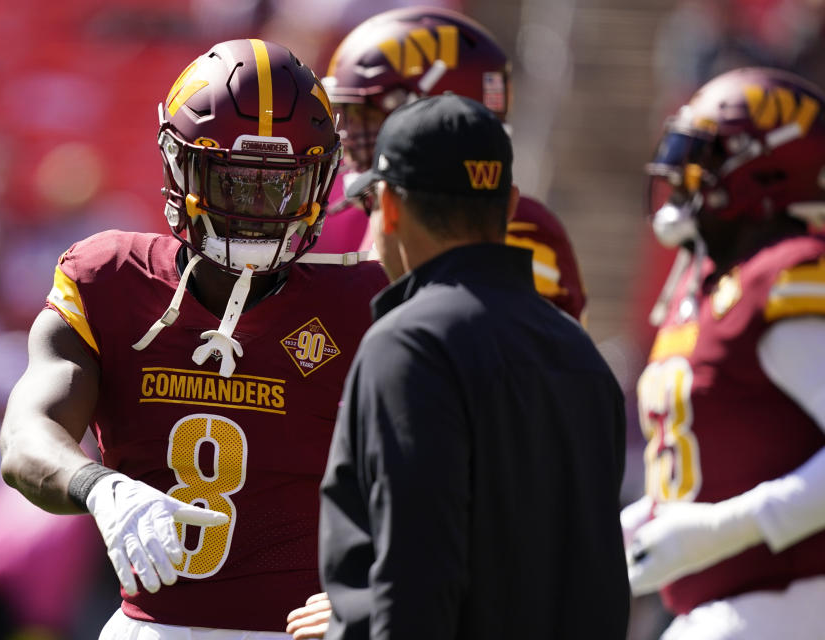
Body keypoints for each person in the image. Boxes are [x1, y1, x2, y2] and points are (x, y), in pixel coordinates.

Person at [0, 39, 388, 639]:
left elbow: (444, 470)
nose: (260, 209)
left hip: (306, 628)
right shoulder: (109, 279)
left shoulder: (359, 302)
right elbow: (26, 438)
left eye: (281, 185)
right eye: (235, 182)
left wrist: (385, 585)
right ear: (180, 168)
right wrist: (101, 488)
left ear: (322, 180)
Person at [307, 93, 630, 640]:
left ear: (387, 206)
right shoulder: (582, 353)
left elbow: (414, 575)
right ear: (508, 207)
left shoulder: (408, 343)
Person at [622, 66, 825, 639]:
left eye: (703, 158)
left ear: (767, 172)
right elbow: (700, 474)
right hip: (728, 609)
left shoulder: (785, 276)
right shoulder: (710, 287)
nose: (681, 176)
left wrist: (722, 530)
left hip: (790, 601)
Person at [314, 5, 588, 323]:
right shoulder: (369, 213)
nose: (347, 134)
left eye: (366, 114)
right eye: (346, 114)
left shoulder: (518, 231)